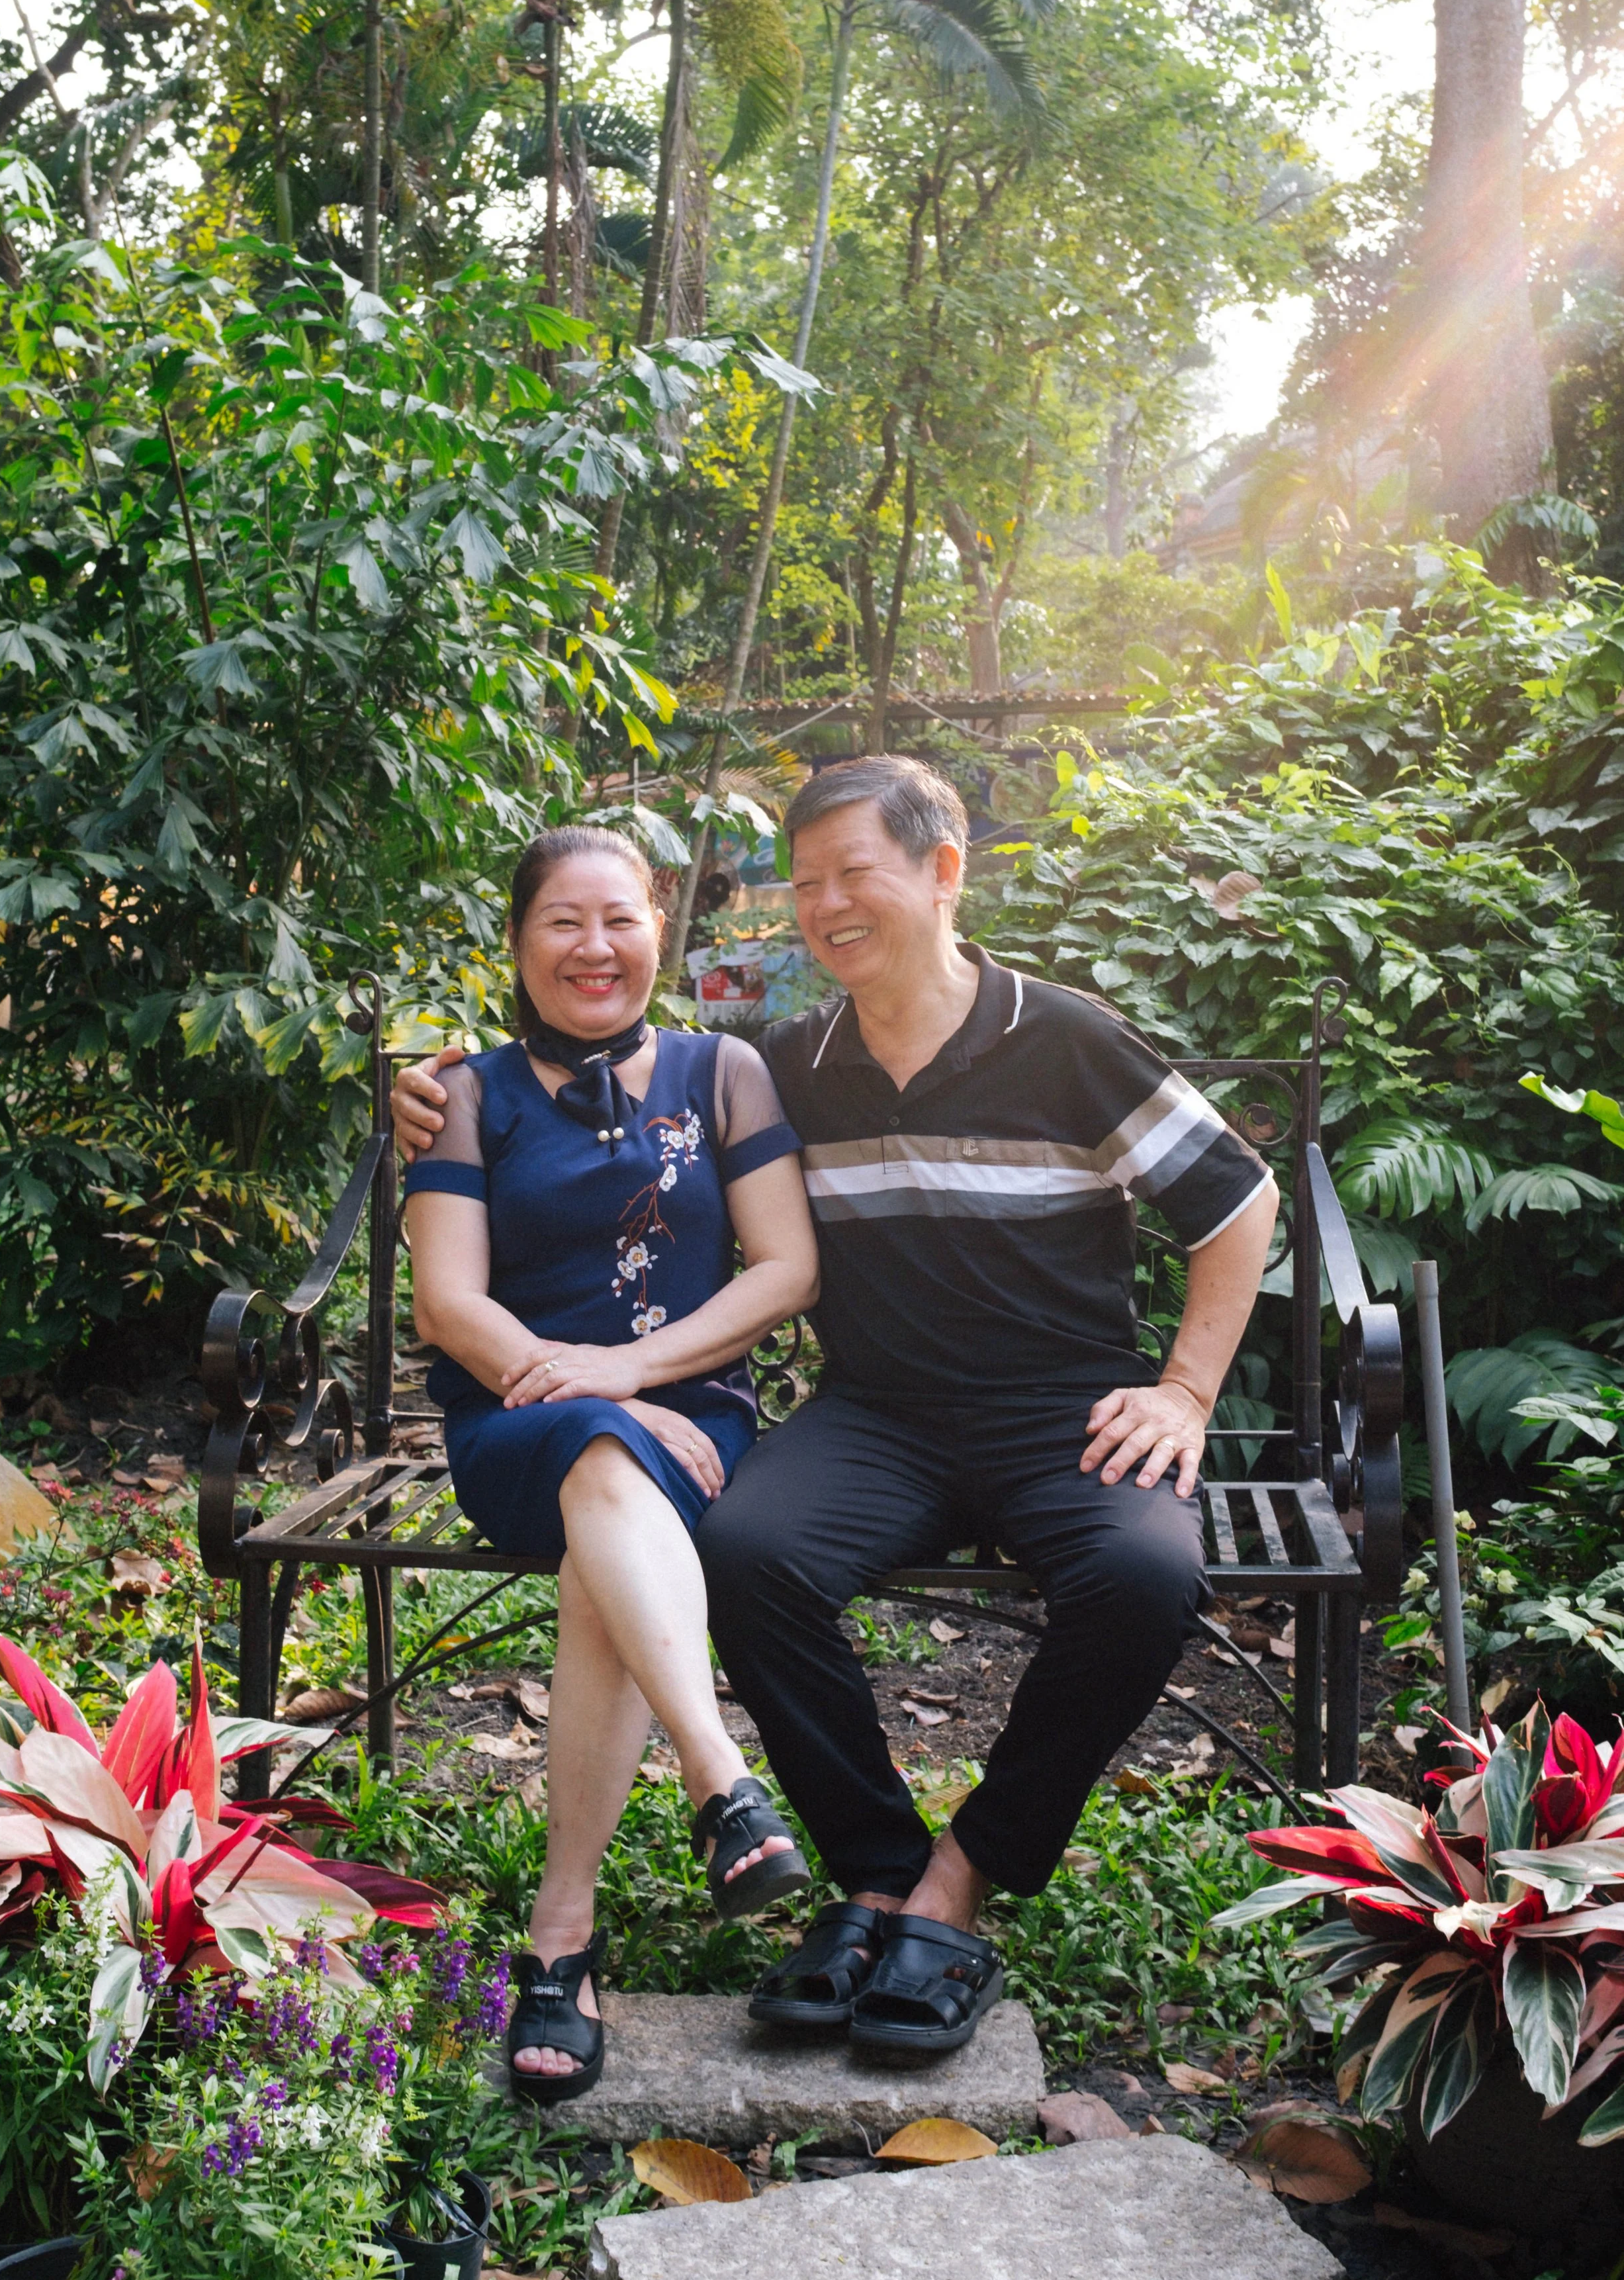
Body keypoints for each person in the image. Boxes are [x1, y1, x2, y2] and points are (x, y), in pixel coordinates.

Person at [397, 759, 1279, 2061]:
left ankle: (953, 1884)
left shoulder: (1064, 1038)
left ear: (942, 869)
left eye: (851, 873)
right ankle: (872, 1874)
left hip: (1059, 1412)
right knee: (749, 1555)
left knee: (1143, 1581)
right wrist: (428, 1091)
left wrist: (1185, 1389)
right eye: (803, 884)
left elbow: (1237, 1199)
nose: (824, 905)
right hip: (881, 1415)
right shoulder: (792, 1063)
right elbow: (607, 1081)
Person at [402, 825, 818, 2105]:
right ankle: (721, 1777)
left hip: (686, 1413)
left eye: (621, 918)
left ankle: (560, 1942)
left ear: (660, 930)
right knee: (595, 1455)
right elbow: (447, 1304)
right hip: (518, 1415)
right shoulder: (463, 1091)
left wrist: (626, 1376)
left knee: (610, 1502)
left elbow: (787, 1267)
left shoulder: (725, 1069)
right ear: (519, 945)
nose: (596, 947)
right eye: (563, 923)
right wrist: (572, 1375)